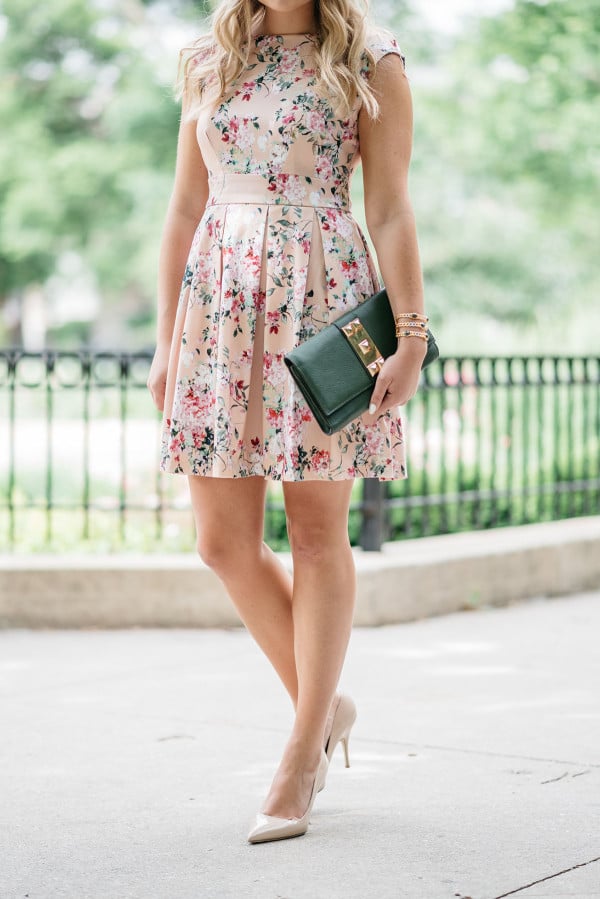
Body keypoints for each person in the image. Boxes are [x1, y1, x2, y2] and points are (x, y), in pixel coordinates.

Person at [147, 0, 427, 844]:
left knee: (316, 534)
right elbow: (184, 208)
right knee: (222, 541)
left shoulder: (372, 61)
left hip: (320, 301)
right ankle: (326, 701)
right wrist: (167, 341)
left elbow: (387, 210)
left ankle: (302, 753)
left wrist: (409, 335)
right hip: (220, 303)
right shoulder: (208, 57)